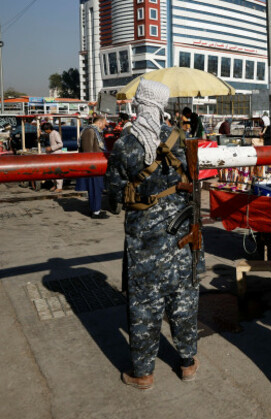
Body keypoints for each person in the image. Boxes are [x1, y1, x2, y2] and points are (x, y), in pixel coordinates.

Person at [105, 79, 203, 390]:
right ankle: (187, 363)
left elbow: (116, 192)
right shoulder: (180, 137)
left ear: (139, 103)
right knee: (183, 297)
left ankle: (143, 373)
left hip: (144, 239)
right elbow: (194, 182)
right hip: (181, 232)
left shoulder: (124, 143)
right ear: (160, 105)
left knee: (144, 304)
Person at [76, 115, 109, 219]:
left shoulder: (95, 131)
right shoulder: (90, 131)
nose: (105, 126)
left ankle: (96, 210)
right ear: (99, 123)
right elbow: (88, 150)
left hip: (97, 165)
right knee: (94, 189)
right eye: (104, 124)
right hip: (93, 166)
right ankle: (95, 212)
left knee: (97, 189)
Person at [42, 122, 64, 193]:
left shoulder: (55, 133)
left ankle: (59, 187)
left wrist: (51, 148)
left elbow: (60, 144)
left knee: (57, 170)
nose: (45, 131)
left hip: (57, 154)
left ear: (48, 129)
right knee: (53, 171)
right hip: (53, 154)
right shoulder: (50, 133)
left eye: (45, 130)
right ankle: (55, 185)